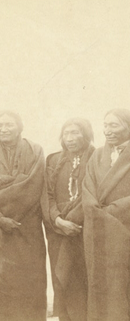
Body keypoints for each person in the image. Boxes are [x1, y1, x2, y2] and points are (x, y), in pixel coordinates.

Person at [0, 110, 47, 321]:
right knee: (2, 281)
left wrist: (4, 194)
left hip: (27, 224)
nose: (4, 129)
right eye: (0, 125)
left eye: (9, 125)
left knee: (30, 280)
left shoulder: (35, 150)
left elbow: (32, 185)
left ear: (20, 127)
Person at [44, 118, 94, 321]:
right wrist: (57, 220)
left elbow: (93, 193)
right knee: (62, 279)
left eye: (76, 132)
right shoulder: (54, 159)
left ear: (87, 134)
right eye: (66, 133)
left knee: (84, 280)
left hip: (83, 230)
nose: (70, 138)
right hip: (58, 230)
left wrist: (73, 220)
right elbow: (46, 195)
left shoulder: (96, 157)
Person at [82, 108, 130, 321]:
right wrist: (94, 210)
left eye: (114, 125)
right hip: (98, 229)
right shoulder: (97, 155)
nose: (107, 131)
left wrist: (112, 211)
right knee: (99, 281)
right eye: (106, 125)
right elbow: (87, 186)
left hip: (123, 226)